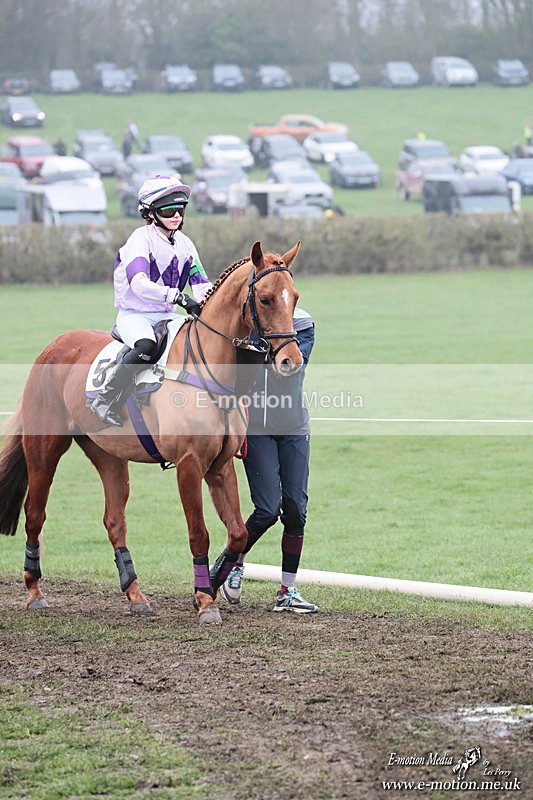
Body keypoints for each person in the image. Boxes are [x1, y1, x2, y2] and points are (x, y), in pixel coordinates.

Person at [213, 308, 319, 614]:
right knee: (268, 509)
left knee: (297, 510)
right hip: (257, 431)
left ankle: (288, 590)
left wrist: (263, 344)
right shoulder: (245, 328)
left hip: (294, 430)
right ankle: (235, 561)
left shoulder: (304, 325)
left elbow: (290, 366)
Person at [90, 175, 212, 427]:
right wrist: (177, 296)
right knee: (146, 346)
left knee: (202, 339)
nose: (176, 215)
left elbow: (200, 282)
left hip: (166, 316)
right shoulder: (140, 239)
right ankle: (105, 397)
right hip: (135, 315)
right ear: (151, 213)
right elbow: (139, 282)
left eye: (180, 209)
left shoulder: (185, 244)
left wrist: (210, 302)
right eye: (169, 210)